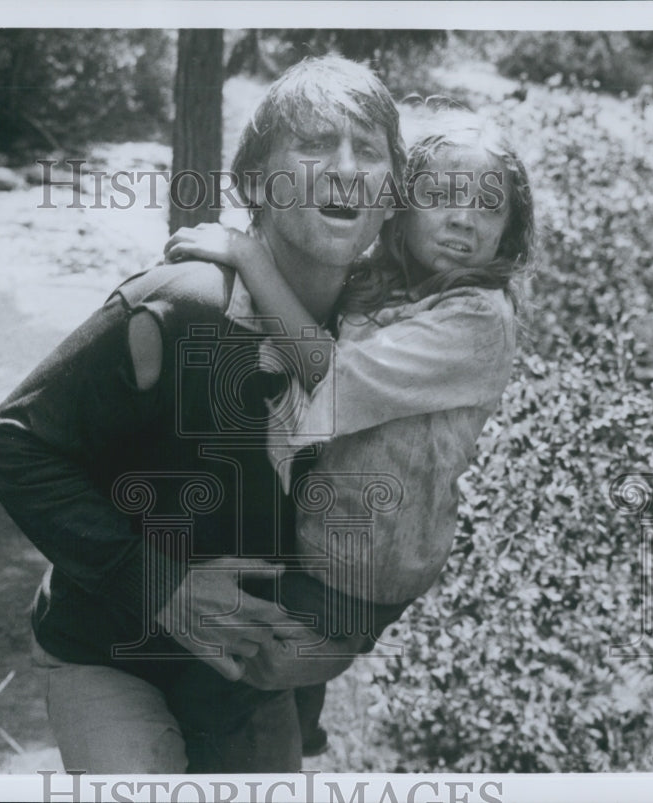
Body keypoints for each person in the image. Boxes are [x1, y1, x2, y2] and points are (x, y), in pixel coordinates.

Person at [0, 55, 406, 774]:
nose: (345, 167)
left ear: (392, 197)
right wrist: (161, 585)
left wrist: (346, 637)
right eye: (314, 143)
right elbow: (15, 444)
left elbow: (411, 517)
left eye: (368, 150)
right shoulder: (185, 306)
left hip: (247, 682)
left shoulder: (394, 350)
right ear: (255, 182)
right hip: (109, 651)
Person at [164, 105, 537, 751]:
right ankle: (299, 727)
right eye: (441, 196)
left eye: (489, 206)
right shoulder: (383, 280)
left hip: (359, 571)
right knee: (266, 678)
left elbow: (329, 377)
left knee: (224, 683)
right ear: (400, 203)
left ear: (510, 230)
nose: (463, 219)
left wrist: (251, 259)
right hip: (312, 536)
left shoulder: (477, 319)